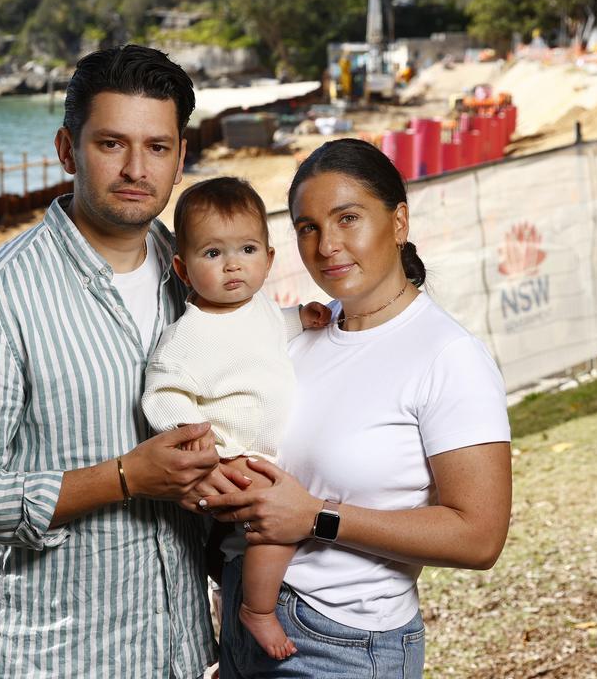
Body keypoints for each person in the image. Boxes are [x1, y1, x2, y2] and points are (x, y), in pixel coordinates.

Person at [0, 45, 245, 678]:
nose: (135, 168)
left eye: (157, 147)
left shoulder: (196, 277)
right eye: (111, 144)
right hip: (57, 659)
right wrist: (125, 477)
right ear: (68, 150)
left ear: (181, 158)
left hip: (179, 652)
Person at [201, 138, 514, 678]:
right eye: (308, 227)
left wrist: (318, 518)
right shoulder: (296, 337)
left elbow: (480, 536)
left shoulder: (449, 356)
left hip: (342, 644)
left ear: (398, 222)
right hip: (242, 621)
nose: (327, 246)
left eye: (348, 218)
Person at [140, 177, 331, 661]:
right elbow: (162, 395)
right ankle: (257, 611)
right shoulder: (188, 336)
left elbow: (265, 334)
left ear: (268, 259)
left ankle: (232, 593)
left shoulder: (260, 308)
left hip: (265, 451)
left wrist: (299, 319)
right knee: (275, 525)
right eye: (212, 254)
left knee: (258, 535)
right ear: (183, 268)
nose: (232, 265)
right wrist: (205, 449)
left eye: (246, 249)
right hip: (233, 455)